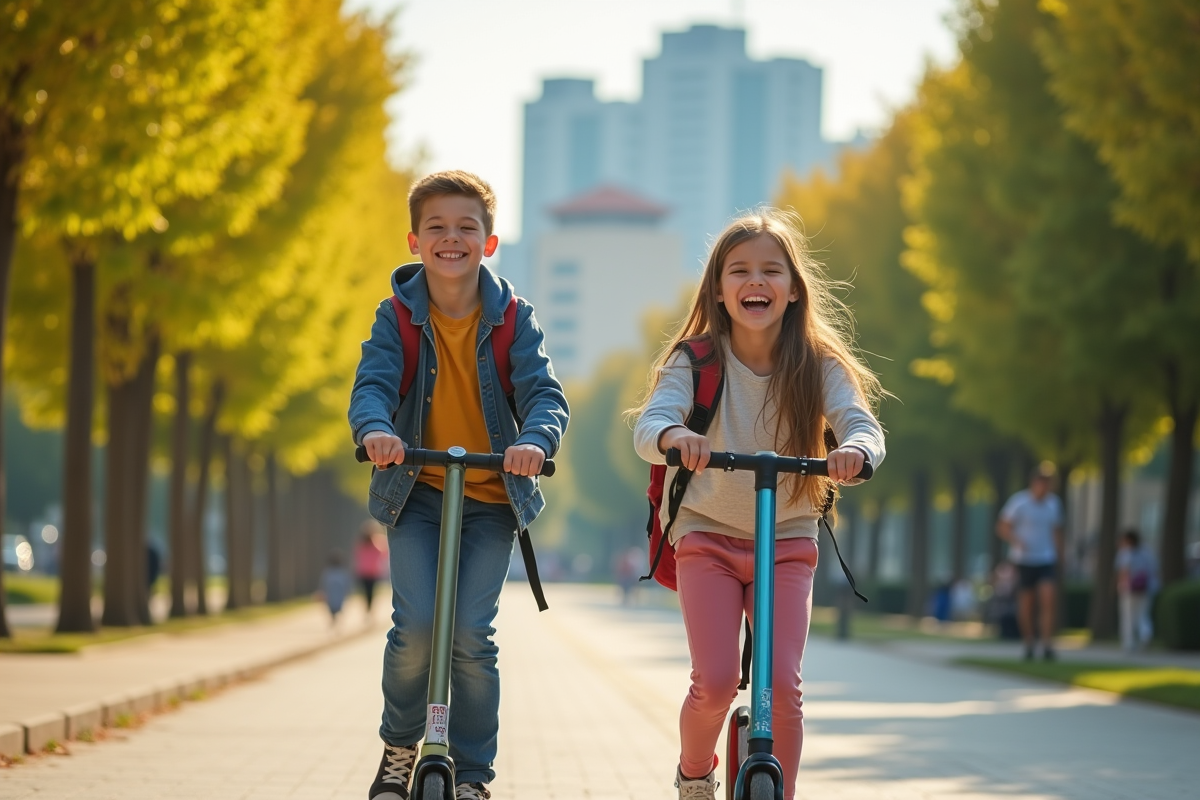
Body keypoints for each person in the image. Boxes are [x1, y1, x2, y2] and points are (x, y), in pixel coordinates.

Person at [631, 209, 886, 800]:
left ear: (793, 289)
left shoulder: (817, 363)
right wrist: (676, 437)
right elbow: (650, 426)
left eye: (772, 271)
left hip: (788, 539)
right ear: (719, 291)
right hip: (707, 535)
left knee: (781, 688)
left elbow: (861, 422)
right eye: (739, 270)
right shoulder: (693, 361)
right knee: (716, 682)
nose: (756, 282)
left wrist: (854, 449)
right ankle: (695, 774)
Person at [349, 170, 569, 800]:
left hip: (492, 499)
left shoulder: (513, 318)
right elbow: (372, 384)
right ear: (414, 241)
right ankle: (399, 747)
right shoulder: (395, 315)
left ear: (490, 243)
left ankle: (472, 775)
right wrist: (375, 430)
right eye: (437, 227)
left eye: (467, 227)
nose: (452, 238)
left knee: (472, 636)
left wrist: (533, 441)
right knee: (415, 626)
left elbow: (545, 395)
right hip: (416, 492)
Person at [996, 462, 1064, 661]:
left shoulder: (1054, 504)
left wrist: (1061, 555)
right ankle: (1028, 641)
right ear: (1034, 483)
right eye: (1042, 483)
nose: (1044, 487)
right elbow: (1002, 527)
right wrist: (1017, 541)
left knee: (1048, 599)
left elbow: (1057, 531)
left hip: (1046, 558)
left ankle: (1047, 644)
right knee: (1026, 603)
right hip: (1024, 559)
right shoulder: (1019, 502)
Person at [1115, 529, 1158, 651]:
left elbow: (1124, 570)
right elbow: (1154, 570)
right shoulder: (1148, 552)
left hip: (1130, 588)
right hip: (1146, 587)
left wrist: (1120, 584)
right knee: (1143, 614)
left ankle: (1129, 643)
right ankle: (1145, 634)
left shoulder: (1125, 552)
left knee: (1128, 616)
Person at [354, 522, 388, 613]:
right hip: (369, 571)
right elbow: (383, 552)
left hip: (367, 571)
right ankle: (369, 607)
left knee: (368, 591)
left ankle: (369, 607)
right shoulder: (370, 541)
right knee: (369, 591)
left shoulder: (371, 541)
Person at [319, 550, 352, 624]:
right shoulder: (342, 572)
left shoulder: (328, 572)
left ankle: (334, 617)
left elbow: (323, 584)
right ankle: (334, 617)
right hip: (336, 595)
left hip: (333, 595)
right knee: (336, 607)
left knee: (333, 607)